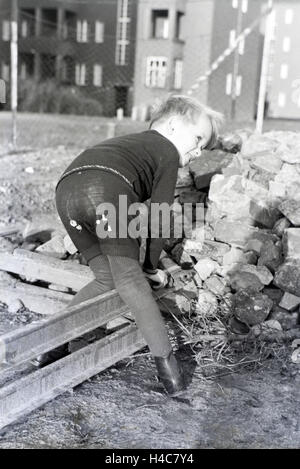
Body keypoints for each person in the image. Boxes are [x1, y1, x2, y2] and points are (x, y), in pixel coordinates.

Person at [51, 95, 223, 394]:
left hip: (67, 192)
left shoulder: (131, 143)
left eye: (203, 147)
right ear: (171, 126)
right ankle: (172, 378)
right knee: (132, 280)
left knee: (106, 277)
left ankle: (50, 349)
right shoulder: (166, 152)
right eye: (197, 139)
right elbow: (159, 215)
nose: (197, 151)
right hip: (105, 190)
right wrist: (149, 268)